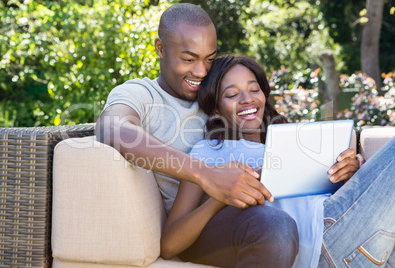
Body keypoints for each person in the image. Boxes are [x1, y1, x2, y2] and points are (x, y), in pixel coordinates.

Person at [96, 4, 298, 265]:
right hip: (204, 229)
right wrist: (206, 175)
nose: (201, 72)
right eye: (189, 59)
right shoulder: (142, 94)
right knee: (272, 225)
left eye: (209, 59)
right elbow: (112, 128)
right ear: (160, 48)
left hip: (255, 214)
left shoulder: (220, 93)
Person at [161, 54, 395, 268]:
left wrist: (352, 172)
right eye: (232, 94)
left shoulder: (293, 140)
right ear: (215, 110)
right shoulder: (207, 152)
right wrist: (219, 197)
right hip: (321, 244)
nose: (247, 99)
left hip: (362, 238)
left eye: (254, 89)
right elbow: (170, 244)